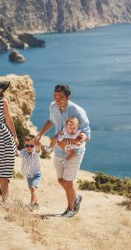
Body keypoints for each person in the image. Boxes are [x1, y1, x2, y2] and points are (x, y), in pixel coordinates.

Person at [36, 85, 91, 218]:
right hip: (59, 151)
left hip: (74, 152)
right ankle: (76, 198)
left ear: (68, 97)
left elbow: (87, 136)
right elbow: (51, 120)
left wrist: (68, 142)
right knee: (61, 180)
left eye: (61, 97)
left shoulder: (78, 111)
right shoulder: (53, 106)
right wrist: (40, 134)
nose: (57, 100)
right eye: (55, 97)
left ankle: (70, 209)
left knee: (68, 181)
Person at [18, 135, 42, 211]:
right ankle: (35, 204)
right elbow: (17, 153)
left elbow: (38, 149)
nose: (29, 147)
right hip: (28, 175)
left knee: (33, 188)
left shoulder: (36, 153)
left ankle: (31, 205)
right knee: (32, 190)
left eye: (31, 145)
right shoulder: (23, 152)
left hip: (36, 174)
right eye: (27, 145)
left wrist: (37, 144)